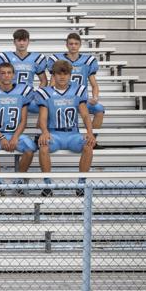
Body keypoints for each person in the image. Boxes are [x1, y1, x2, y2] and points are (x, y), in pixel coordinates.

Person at [36, 60, 95, 197]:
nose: (62, 77)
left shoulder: (77, 90)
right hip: (54, 133)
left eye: (66, 74)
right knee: (43, 146)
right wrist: (44, 132)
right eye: (59, 74)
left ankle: (81, 183)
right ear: (53, 75)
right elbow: (43, 117)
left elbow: (85, 115)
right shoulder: (46, 93)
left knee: (88, 146)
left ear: (70, 75)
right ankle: (47, 185)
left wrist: (90, 133)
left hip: (72, 133)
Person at [0, 62, 37, 194]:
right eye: (3, 73)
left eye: (9, 73)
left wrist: (15, 137)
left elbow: (23, 120)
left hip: (15, 133)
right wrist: (1, 137)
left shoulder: (23, 91)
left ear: (13, 75)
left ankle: (18, 181)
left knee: (30, 149)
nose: (6, 76)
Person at [47, 32, 104, 131]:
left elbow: (94, 85)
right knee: (47, 107)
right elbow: (52, 83)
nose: (73, 46)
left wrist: (95, 97)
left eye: (76, 44)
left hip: (81, 99)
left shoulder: (88, 61)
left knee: (99, 109)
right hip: (63, 98)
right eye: (71, 43)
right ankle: (46, 135)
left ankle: (92, 139)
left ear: (80, 45)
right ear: (67, 45)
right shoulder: (57, 60)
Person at [0, 29, 47, 112]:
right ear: (14, 42)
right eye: (19, 40)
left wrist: (37, 94)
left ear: (28, 41)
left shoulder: (36, 58)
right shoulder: (5, 57)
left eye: (24, 40)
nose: (22, 43)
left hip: (28, 96)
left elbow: (43, 80)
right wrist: (3, 94)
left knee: (44, 106)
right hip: (10, 95)